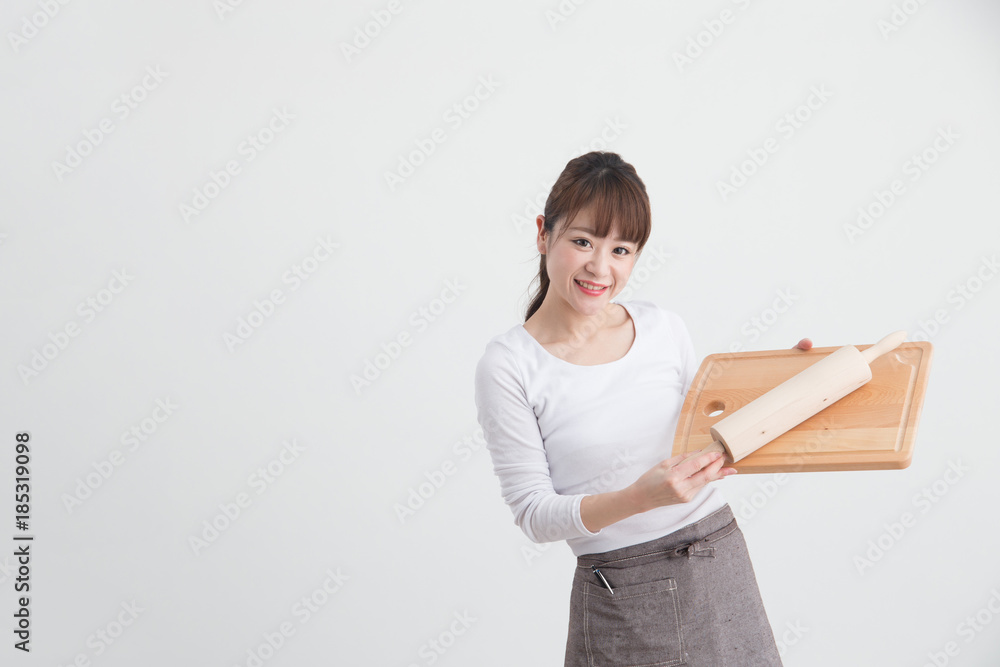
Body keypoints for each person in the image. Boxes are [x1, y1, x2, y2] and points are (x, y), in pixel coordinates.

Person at [473, 151, 811, 666]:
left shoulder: (662, 328)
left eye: (621, 250)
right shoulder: (509, 365)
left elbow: (708, 433)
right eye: (582, 241)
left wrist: (782, 384)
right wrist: (637, 498)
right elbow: (535, 515)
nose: (600, 267)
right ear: (543, 234)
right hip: (621, 593)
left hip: (718, 563)